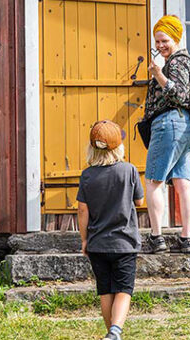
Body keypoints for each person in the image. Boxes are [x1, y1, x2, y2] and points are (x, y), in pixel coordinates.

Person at [77, 120, 144, 340]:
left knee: (105, 290)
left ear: (92, 147)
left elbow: (82, 211)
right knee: (124, 289)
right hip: (124, 243)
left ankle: (112, 333)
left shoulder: (87, 176)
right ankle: (115, 332)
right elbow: (140, 201)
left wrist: (85, 240)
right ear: (119, 146)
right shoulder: (129, 170)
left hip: (97, 243)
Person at [142, 15, 190, 254]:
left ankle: (157, 237)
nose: (160, 46)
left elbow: (180, 95)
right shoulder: (187, 62)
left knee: (154, 180)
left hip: (169, 123)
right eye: (157, 41)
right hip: (186, 127)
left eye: (164, 40)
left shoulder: (176, 63)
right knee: (182, 182)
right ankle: (186, 239)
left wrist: (158, 73)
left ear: (176, 38)